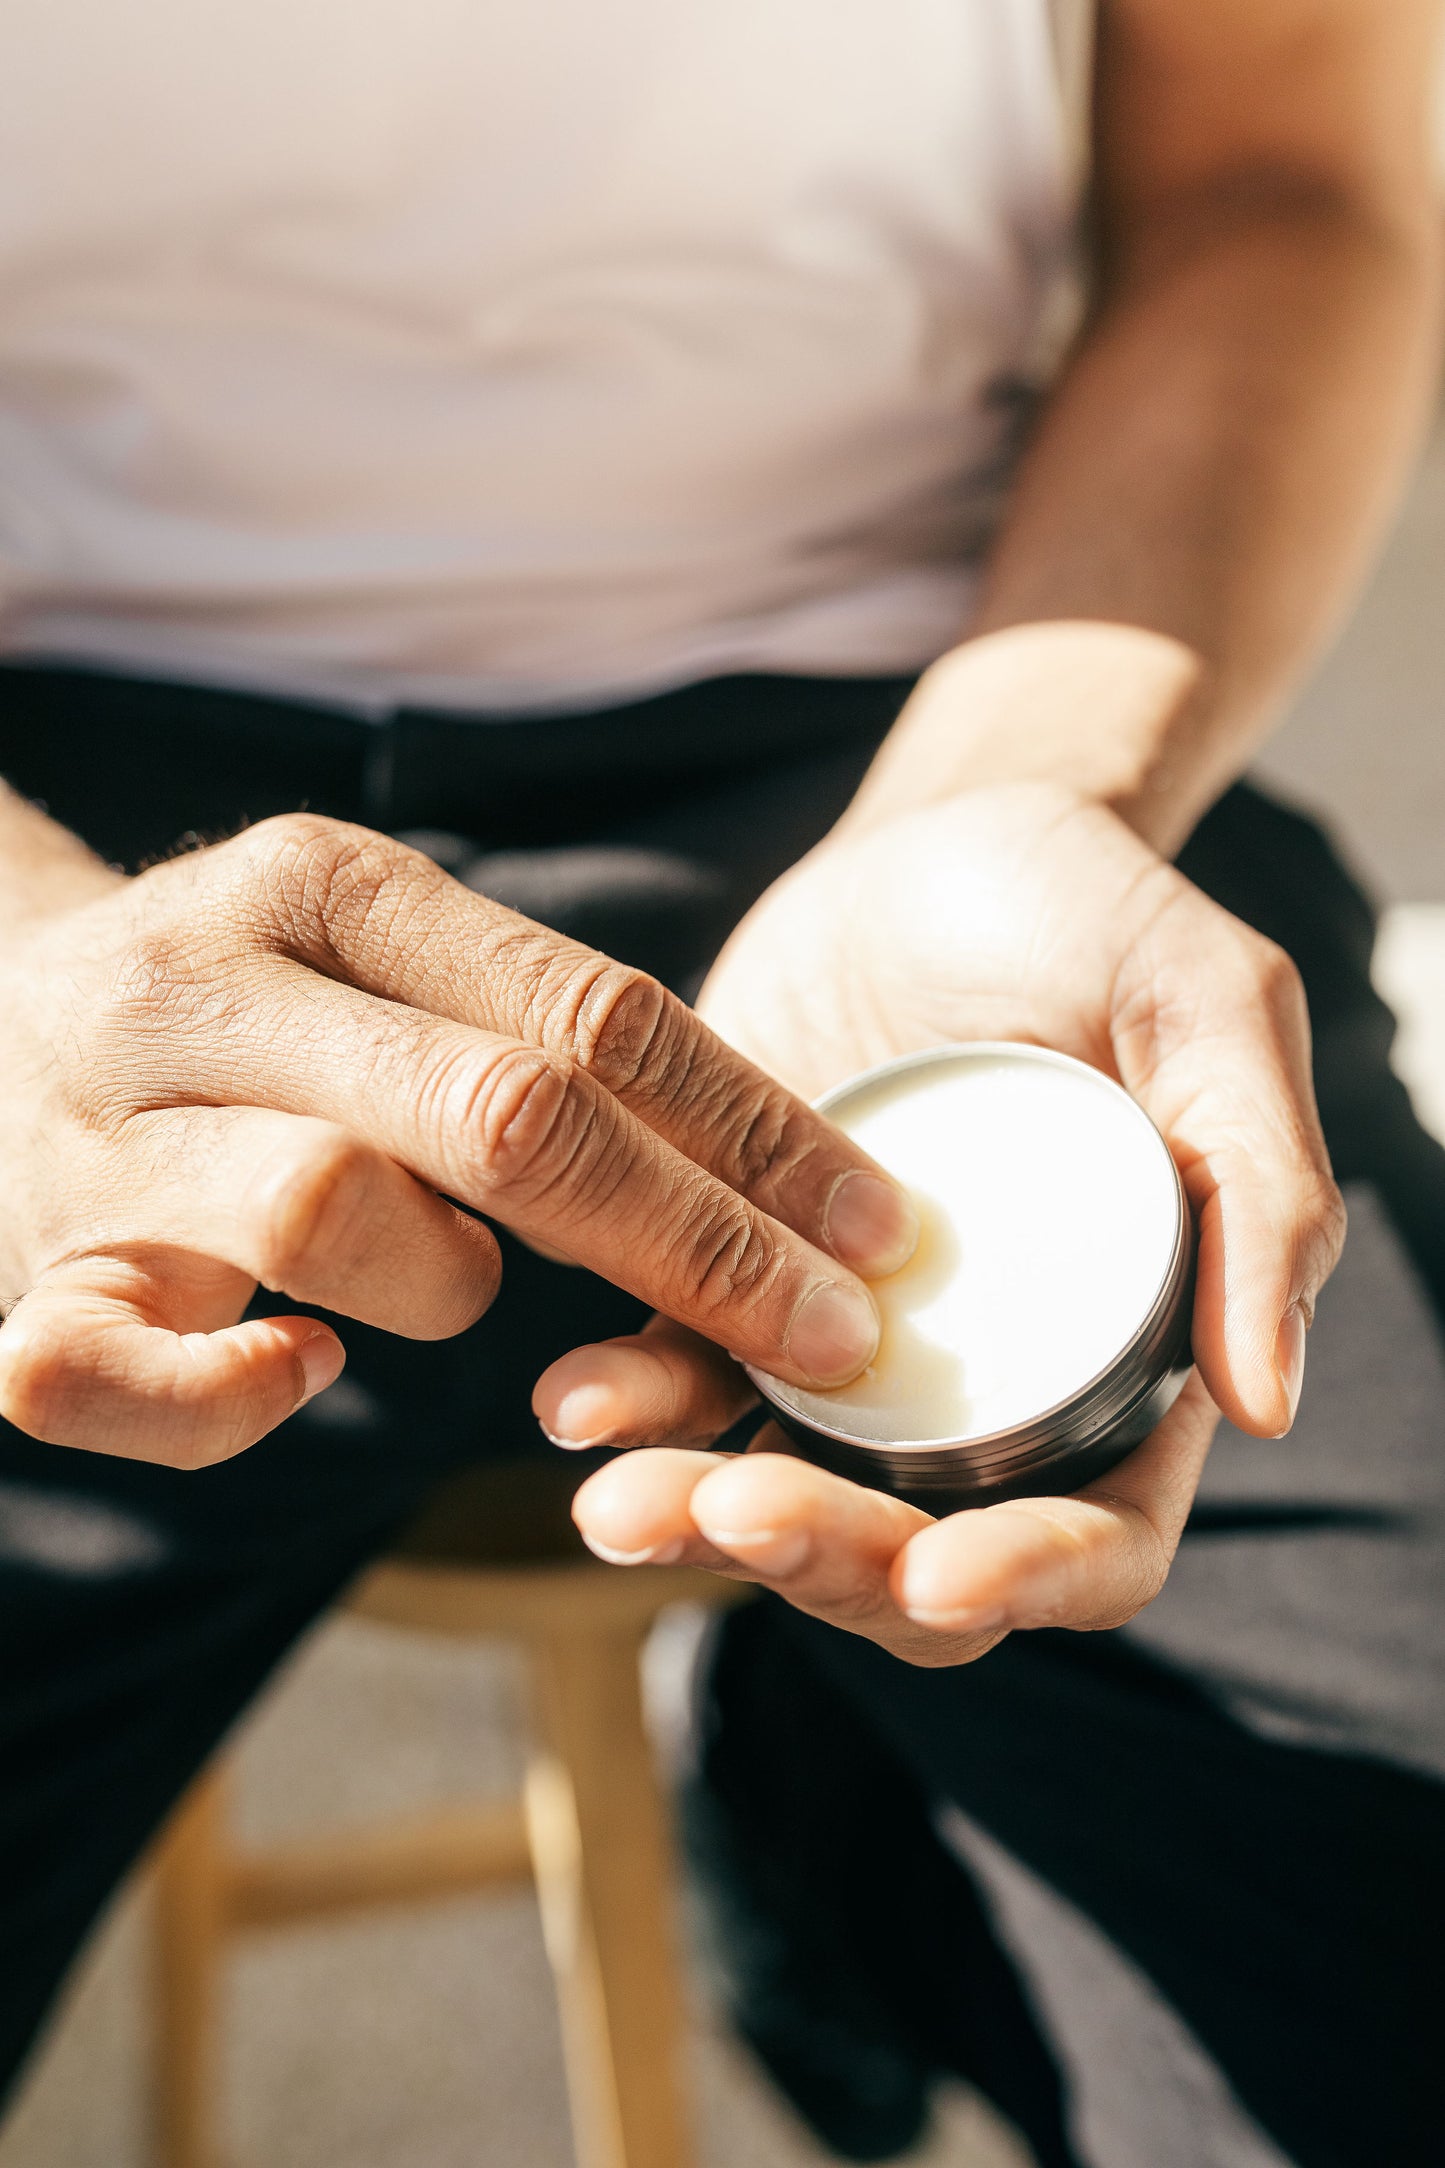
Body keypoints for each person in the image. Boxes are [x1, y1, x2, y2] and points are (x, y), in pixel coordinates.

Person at [0, 2, 1442, 2161]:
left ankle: (847, 1817)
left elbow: (1282, 175)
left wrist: (1023, 782)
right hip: (60, 837)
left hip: (936, 747)